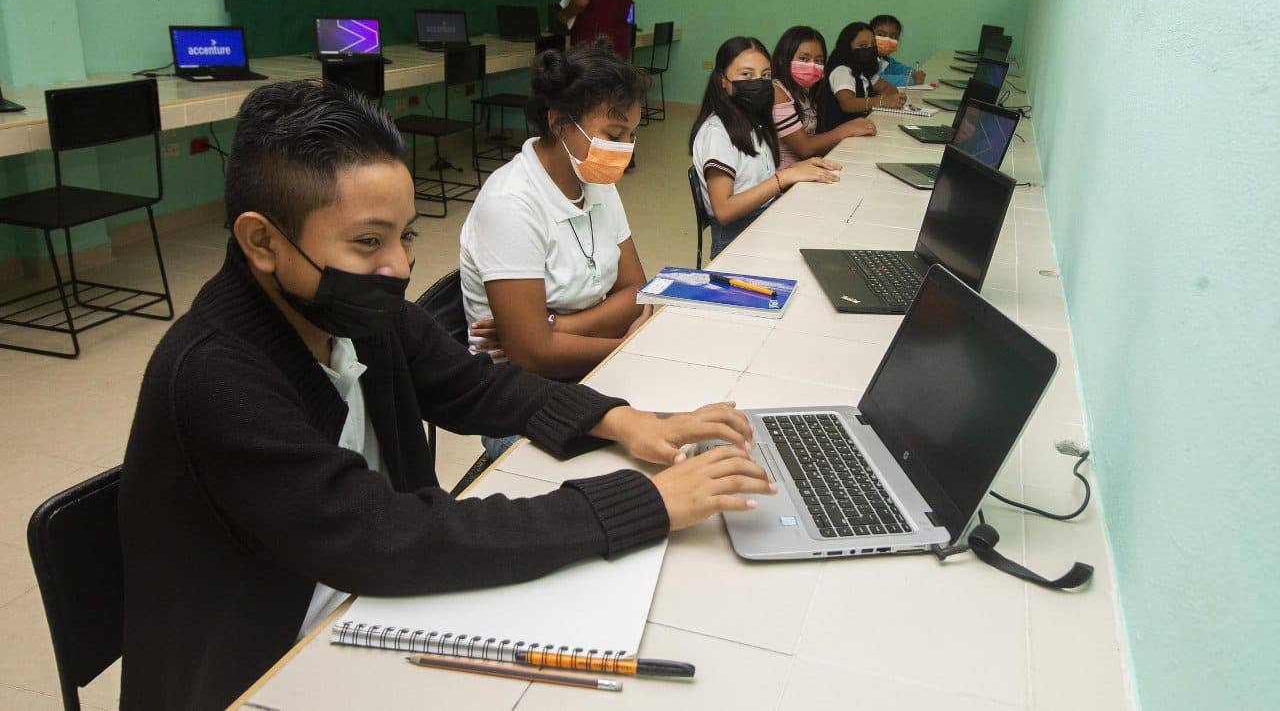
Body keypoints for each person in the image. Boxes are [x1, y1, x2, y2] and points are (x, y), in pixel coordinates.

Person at [118, 80, 774, 710]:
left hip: (366, 598)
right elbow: (384, 534)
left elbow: (476, 385)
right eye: (368, 241)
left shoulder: (354, 314)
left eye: (404, 236)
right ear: (262, 241)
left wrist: (619, 418)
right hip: (264, 660)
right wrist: (643, 503)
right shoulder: (213, 375)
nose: (399, 267)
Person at [460, 41, 651, 460]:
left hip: (586, 371)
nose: (625, 148)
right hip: (520, 402)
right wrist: (623, 344)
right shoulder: (510, 203)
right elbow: (533, 357)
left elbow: (637, 291)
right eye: (614, 135)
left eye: (631, 135)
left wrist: (557, 327)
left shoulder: (596, 180)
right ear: (561, 124)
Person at [690, 36, 842, 258]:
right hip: (736, 238)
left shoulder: (753, 120)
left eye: (766, 75)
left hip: (764, 218)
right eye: (746, 75)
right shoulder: (717, 132)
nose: (759, 83)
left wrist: (799, 170)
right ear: (723, 81)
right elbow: (724, 210)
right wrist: (783, 178)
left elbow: (754, 181)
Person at [771, 25, 877, 168]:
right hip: (786, 181)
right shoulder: (777, 91)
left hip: (807, 169)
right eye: (804, 58)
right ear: (782, 59)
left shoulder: (805, 92)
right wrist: (846, 129)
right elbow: (805, 148)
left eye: (819, 61)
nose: (812, 66)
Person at [817, 21, 906, 133]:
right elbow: (847, 104)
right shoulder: (842, 70)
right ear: (847, 47)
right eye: (863, 46)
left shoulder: (863, 69)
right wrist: (880, 101)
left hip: (858, 129)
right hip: (837, 135)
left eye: (873, 45)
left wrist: (895, 99)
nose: (869, 49)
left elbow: (889, 89)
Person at [871, 14, 926, 87]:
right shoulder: (865, 59)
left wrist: (914, 73)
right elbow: (879, 80)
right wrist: (913, 80)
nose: (888, 39)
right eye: (881, 34)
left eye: (893, 37)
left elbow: (900, 69)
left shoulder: (887, 60)